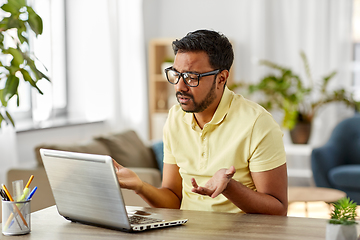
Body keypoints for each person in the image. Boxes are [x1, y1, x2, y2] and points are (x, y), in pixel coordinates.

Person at [113, 29, 288, 215]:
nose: (179, 86)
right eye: (176, 74)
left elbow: (278, 210)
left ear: (221, 78)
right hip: (187, 231)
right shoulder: (175, 118)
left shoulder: (257, 123)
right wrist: (139, 186)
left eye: (191, 77)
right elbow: (173, 199)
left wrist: (230, 188)